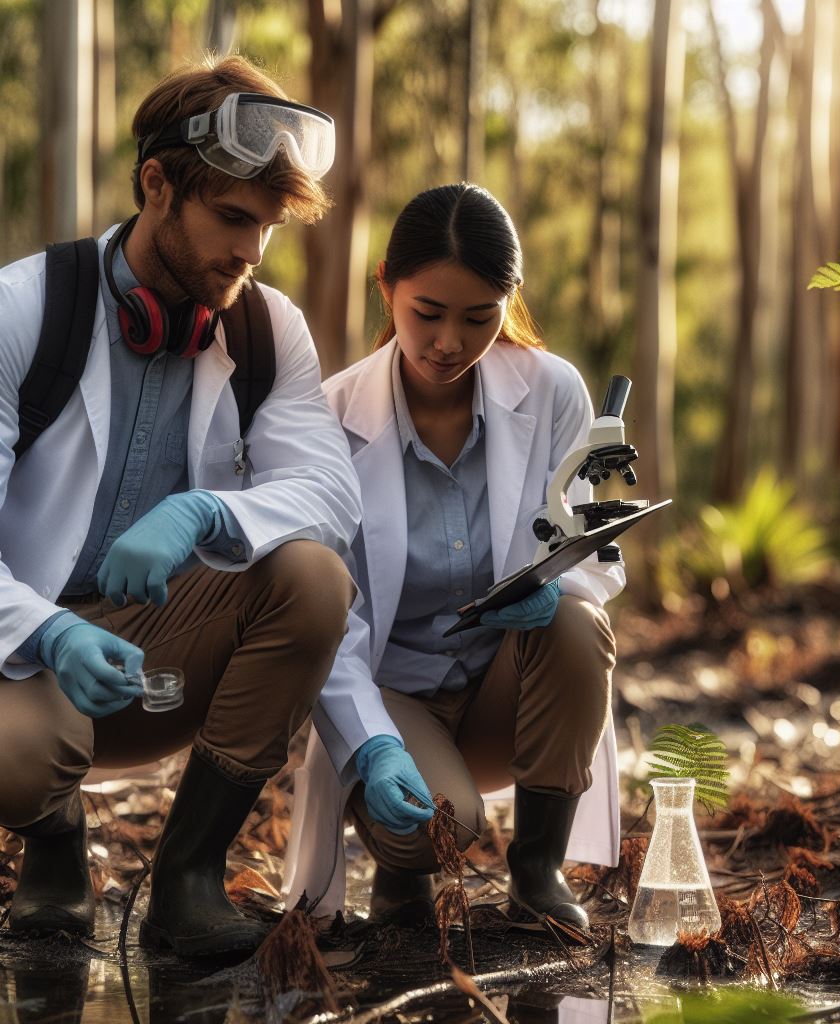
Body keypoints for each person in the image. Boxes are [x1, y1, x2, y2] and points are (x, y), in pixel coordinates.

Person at [0, 55, 361, 957]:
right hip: (20, 656)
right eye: (233, 218)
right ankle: (52, 849)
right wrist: (48, 633)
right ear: (157, 185)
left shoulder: (264, 328)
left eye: (268, 227)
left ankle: (190, 877)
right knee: (22, 753)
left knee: (313, 578)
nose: (251, 249)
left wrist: (206, 515)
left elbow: (331, 493)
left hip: (155, 656)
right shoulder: (23, 312)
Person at [285, 183, 624, 930]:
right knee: (435, 830)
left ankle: (537, 873)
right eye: (426, 314)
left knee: (575, 622)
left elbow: (599, 554)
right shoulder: (333, 420)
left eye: (478, 318)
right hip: (391, 698)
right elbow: (327, 619)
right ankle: (401, 872)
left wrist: (563, 580)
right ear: (386, 286)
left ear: (510, 301)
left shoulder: (552, 390)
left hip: (505, 691)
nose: (449, 342)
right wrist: (372, 749)